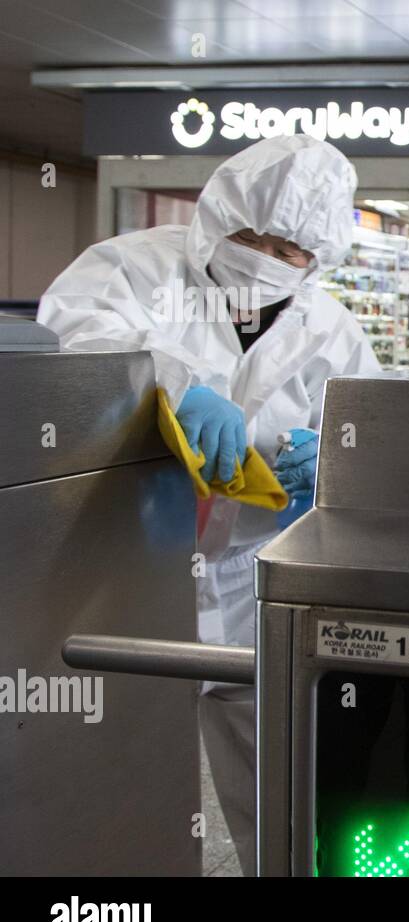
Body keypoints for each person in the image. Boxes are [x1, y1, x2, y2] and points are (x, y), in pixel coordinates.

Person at [38, 134, 382, 874]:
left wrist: (338, 467)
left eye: (290, 248)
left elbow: (370, 434)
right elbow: (72, 334)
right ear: (216, 214)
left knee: (276, 770)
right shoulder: (134, 268)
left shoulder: (333, 332)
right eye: (252, 233)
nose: (265, 255)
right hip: (126, 564)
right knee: (112, 763)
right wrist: (171, 378)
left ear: (320, 258)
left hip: (252, 573)